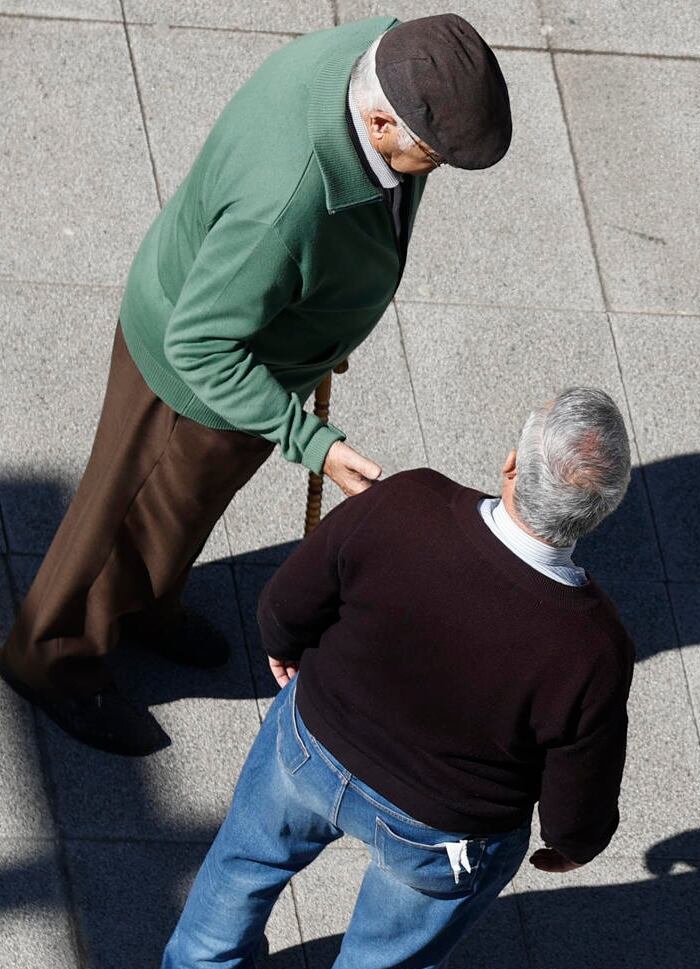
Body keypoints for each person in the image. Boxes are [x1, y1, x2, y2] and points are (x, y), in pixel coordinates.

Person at [0, 13, 512, 756]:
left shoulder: (377, 57)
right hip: (192, 383)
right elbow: (200, 345)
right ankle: (51, 657)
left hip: (253, 339)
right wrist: (311, 443)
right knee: (125, 514)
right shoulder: (288, 204)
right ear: (377, 120)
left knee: (176, 516)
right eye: (428, 155)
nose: (430, 170)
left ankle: (145, 604)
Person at [150, 389, 635, 969]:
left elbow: (287, 602)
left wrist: (285, 645)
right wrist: (572, 844)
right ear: (601, 511)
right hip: (443, 830)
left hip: (311, 745)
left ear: (509, 466)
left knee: (242, 869)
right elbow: (579, 778)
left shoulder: (409, 504)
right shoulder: (594, 645)